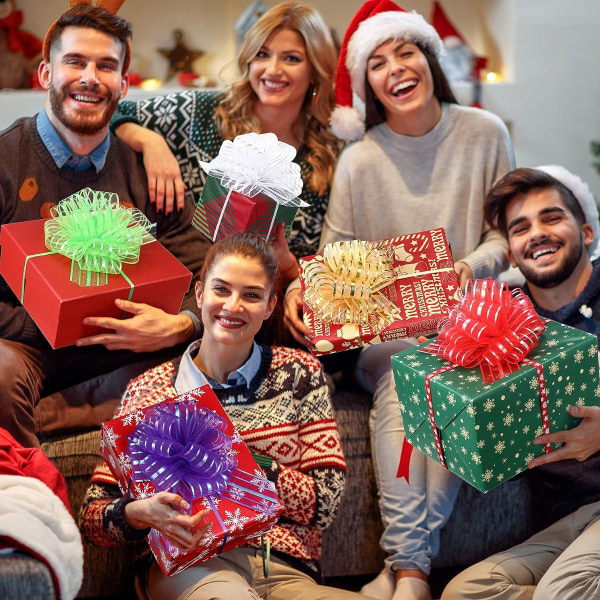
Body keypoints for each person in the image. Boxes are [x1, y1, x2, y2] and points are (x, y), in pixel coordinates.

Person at [283, 1, 515, 599]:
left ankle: (404, 571)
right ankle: (412, 571)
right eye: (378, 63)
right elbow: (337, 264)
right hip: (391, 338)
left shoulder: (485, 134)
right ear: (367, 84)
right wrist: (310, 291)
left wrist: (467, 265)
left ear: (429, 59)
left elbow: (504, 234)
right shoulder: (360, 161)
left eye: (405, 51)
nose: (395, 69)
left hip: (469, 325)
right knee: (412, 372)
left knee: (445, 374)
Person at [79, 233, 375, 600]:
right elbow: (93, 518)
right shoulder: (148, 390)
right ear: (200, 294)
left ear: (270, 306)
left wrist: (239, 463)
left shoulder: (300, 373)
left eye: (251, 295)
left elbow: (325, 504)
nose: (233, 306)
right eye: (221, 290)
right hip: (191, 562)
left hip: (283, 566)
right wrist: (140, 513)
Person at [0, 2, 210, 448]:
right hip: (29, 351)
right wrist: (50, 324)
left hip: (135, 354)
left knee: (223, 347)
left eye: (106, 66)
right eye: (75, 61)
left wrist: (185, 324)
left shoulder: (148, 170)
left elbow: (208, 268)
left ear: (123, 84)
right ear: (45, 75)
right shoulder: (6, 161)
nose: (90, 77)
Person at [441, 166, 600, 600]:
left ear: (586, 232)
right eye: (521, 227)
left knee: (562, 591)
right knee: (465, 592)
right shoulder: (504, 323)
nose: (537, 234)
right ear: (510, 254)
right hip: (565, 518)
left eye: (552, 218)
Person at [110, 1, 340, 272]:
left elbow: (314, 273)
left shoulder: (326, 153)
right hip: (179, 284)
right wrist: (150, 141)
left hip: (259, 304)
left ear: (315, 69)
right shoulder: (203, 111)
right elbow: (114, 109)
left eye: (291, 58)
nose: (272, 70)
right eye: (262, 54)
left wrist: (287, 263)